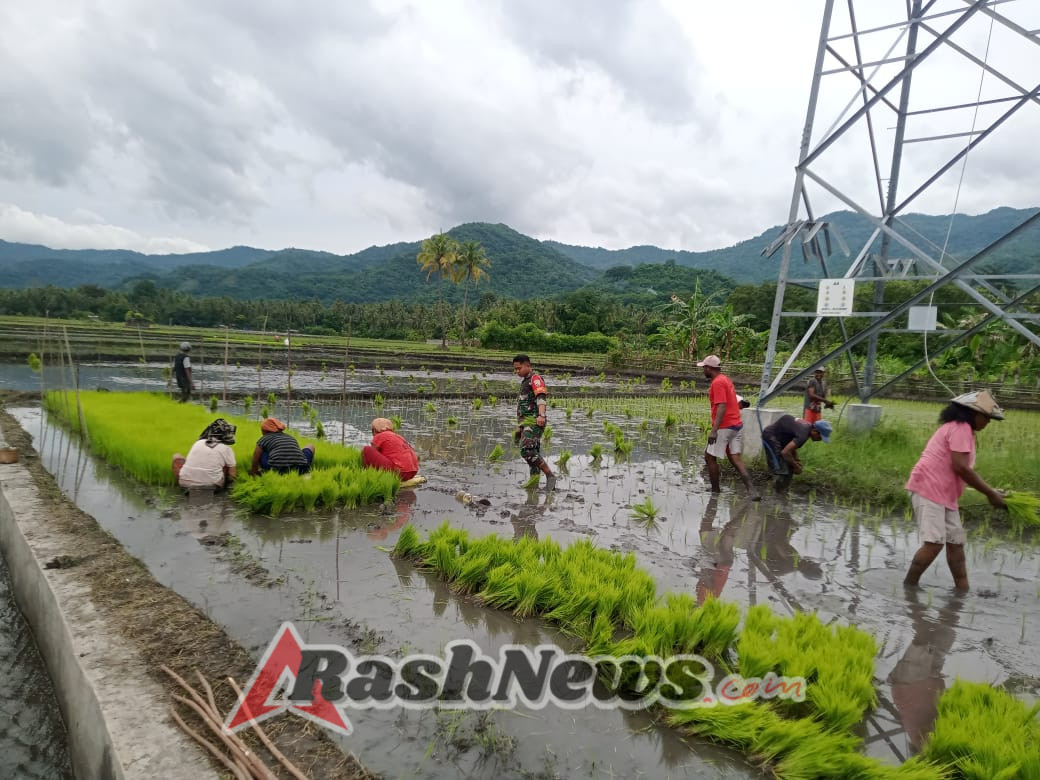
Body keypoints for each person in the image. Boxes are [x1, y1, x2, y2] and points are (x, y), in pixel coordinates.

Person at [903, 390, 1007, 591]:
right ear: (971, 413)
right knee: (934, 543)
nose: (988, 422)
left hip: (945, 494)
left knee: (955, 543)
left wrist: (991, 490)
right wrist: (990, 494)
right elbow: (960, 467)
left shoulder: (963, 430)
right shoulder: (960, 428)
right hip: (928, 488)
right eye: (986, 417)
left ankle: (962, 590)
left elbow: (961, 472)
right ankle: (909, 588)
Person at [697, 355, 758, 499]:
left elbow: (722, 405)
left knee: (709, 457)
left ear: (709, 368)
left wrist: (714, 430)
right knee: (735, 458)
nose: (703, 370)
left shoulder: (717, 383)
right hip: (736, 425)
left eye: (704, 367)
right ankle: (752, 490)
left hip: (724, 426)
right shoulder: (725, 379)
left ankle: (715, 492)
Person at [512, 354, 556, 491]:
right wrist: (520, 427)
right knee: (534, 452)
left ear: (528, 366)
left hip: (535, 421)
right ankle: (534, 483)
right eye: (515, 369)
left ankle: (550, 475)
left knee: (527, 450)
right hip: (526, 422)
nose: (517, 371)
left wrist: (541, 415)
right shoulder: (525, 381)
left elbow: (541, 397)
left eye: (519, 368)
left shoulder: (535, 379)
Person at [761, 415, 832, 488]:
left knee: (789, 465)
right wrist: (796, 466)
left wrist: (796, 460)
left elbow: (791, 446)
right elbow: (785, 452)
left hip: (781, 438)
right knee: (782, 468)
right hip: (771, 436)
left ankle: (781, 490)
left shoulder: (807, 428)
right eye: (820, 437)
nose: (820, 440)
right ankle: (775, 491)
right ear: (815, 431)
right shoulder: (803, 434)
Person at [172, 418, 237, 490]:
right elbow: (232, 473)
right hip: (212, 486)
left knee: (177, 456)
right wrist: (230, 484)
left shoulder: (199, 442)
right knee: (228, 465)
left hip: (184, 485)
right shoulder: (227, 449)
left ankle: (183, 482)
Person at [250, 417, 315, 475]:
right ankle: (305, 471)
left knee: (262, 450)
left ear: (265, 431)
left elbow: (256, 455)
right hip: (302, 468)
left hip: (277, 470)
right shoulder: (290, 437)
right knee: (310, 446)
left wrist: (254, 470)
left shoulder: (264, 438)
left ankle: (265, 471)